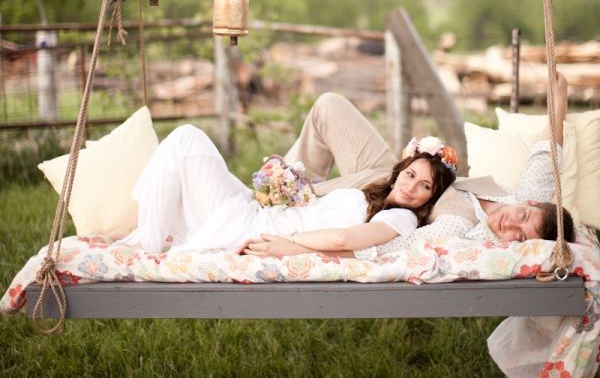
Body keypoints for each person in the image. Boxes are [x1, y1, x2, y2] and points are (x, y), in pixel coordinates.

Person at [242, 73, 575, 260]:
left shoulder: (463, 229)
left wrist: (293, 248)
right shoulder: (527, 196)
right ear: (530, 203)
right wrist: (560, 95)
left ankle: (279, 202)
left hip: (397, 197)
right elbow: (546, 155)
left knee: (294, 195)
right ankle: (287, 191)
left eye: (520, 237)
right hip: (400, 173)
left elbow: (386, 249)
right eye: (523, 217)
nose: (511, 224)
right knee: (330, 106)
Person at [119, 121, 458, 256]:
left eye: (425, 185)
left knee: (187, 138)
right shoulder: (373, 197)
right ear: (399, 172)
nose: (412, 187)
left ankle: (145, 246)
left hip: (253, 226)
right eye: (410, 175)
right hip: (256, 212)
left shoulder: (401, 218)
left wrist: (289, 245)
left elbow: (343, 241)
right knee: (186, 146)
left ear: (431, 197)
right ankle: (140, 232)